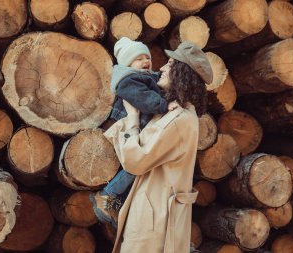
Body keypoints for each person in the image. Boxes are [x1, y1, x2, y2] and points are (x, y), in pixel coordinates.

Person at [104, 41, 213, 253]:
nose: (161, 67)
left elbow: (135, 161)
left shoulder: (178, 119)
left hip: (155, 220)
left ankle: (107, 198)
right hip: (156, 213)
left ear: (182, 73)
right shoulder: (178, 114)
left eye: (170, 64)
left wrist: (133, 119)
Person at [90, 37, 177, 226]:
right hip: (126, 126)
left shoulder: (146, 76)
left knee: (137, 172)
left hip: (140, 128)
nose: (146, 61)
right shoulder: (128, 80)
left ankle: (115, 205)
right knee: (134, 168)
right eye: (139, 58)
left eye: (148, 57)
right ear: (128, 63)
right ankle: (106, 196)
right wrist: (163, 105)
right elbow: (142, 98)